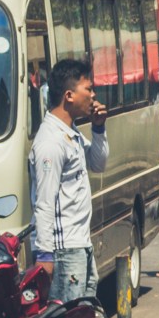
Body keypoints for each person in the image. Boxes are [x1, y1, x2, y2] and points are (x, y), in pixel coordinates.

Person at [29, 58, 109, 303]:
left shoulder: (71, 134)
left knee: (84, 314)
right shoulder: (51, 141)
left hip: (80, 244)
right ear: (69, 96)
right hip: (62, 251)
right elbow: (44, 201)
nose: (93, 96)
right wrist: (45, 255)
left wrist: (98, 128)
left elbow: (98, 163)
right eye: (88, 89)